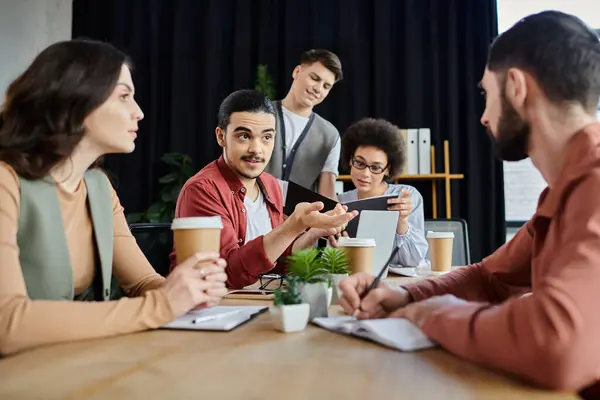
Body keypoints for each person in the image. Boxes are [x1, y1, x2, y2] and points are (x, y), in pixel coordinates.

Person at [339, 11, 600, 396]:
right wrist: (406, 296)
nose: (482, 116)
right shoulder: (564, 190)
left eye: (485, 94)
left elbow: (555, 343)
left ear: (515, 87)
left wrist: (430, 315)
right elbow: (489, 277)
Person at [0, 39, 228, 355]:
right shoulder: (5, 181)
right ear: (74, 100)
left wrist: (188, 292)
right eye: (124, 96)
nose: (139, 113)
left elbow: (143, 282)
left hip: (70, 363)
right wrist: (162, 304)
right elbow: (7, 323)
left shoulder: (98, 187)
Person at [170, 89, 357, 289]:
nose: (257, 149)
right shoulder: (202, 190)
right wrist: (293, 226)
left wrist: (310, 233)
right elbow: (228, 275)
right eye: (244, 136)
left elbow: (278, 262)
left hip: (261, 303)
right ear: (221, 136)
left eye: (266, 137)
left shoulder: (270, 185)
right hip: (216, 309)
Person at [337, 118, 428, 266]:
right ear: (349, 160)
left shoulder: (406, 197)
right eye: (360, 163)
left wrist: (402, 221)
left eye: (375, 167)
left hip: (402, 282)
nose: (365, 174)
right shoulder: (340, 202)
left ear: (387, 170)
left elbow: (414, 260)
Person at [264, 49, 343, 199]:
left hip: (299, 220)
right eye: (314, 78)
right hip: (249, 215)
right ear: (297, 72)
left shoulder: (330, 136)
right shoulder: (260, 115)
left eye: (326, 86)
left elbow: (327, 194)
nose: (318, 89)